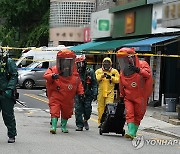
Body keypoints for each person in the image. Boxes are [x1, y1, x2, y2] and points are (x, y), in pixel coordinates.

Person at [43, 49, 84, 134]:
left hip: (68, 97)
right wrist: (53, 76)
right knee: (54, 109)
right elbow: (46, 75)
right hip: (56, 94)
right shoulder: (54, 69)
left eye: (68, 61)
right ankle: (53, 126)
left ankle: (63, 126)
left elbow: (79, 83)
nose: (66, 64)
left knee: (67, 111)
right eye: (64, 61)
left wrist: (81, 93)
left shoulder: (74, 74)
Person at [116, 47, 153, 140]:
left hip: (141, 97)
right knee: (129, 113)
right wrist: (121, 95)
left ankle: (133, 132)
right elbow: (121, 85)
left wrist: (138, 70)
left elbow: (148, 75)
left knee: (139, 114)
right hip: (128, 97)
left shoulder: (143, 64)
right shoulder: (122, 72)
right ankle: (131, 132)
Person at [75, 55, 98, 131]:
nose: (80, 66)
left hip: (88, 94)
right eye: (78, 64)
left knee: (87, 109)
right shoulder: (75, 72)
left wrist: (95, 93)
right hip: (78, 94)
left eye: (81, 63)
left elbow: (94, 83)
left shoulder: (90, 72)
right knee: (78, 109)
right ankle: (79, 125)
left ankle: (85, 120)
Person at [95, 57, 120, 127]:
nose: (106, 64)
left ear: (110, 64)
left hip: (110, 93)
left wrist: (111, 78)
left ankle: (107, 122)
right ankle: (100, 122)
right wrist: (102, 76)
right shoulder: (99, 71)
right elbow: (95, 78)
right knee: (100, 108)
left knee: (109, 107)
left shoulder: (114, 72)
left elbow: (118, 80)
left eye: (108, 63)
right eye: (105, 63)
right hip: (101, 92)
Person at [0, 50, 18, 143]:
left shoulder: (8, 62)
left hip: (5, 93)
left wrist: (10, 89)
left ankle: (12, 134)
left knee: (8, 115)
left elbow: (14, 76)